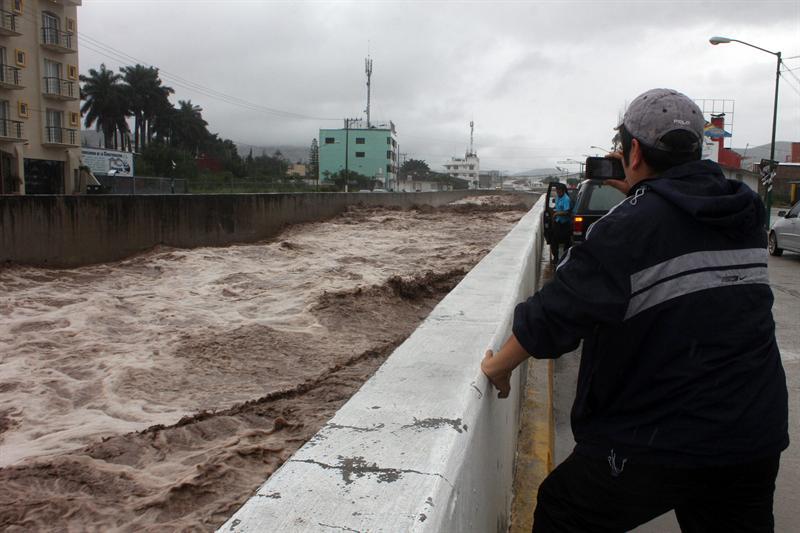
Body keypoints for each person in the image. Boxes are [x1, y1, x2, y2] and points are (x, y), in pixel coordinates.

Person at [481, 88, 788, 532]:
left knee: (562, 509)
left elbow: (557, 315)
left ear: (635, 151)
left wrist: (499, 367)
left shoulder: (627, 226)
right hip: (752, 430)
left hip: (663, 437)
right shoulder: (745, 212)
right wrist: (646, 187)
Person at [550, 183, 572, 263]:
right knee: (554, 240)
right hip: (558, 222)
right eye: (557, 191)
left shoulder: (566, 199)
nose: (558, 193)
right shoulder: (557, 197)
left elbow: (567, 211)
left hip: (565, 224)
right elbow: (557, 207)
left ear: (563, 191)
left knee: (566, 241)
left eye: (559, 191)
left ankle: (565, 259)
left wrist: (556, 214)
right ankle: (556, 258)